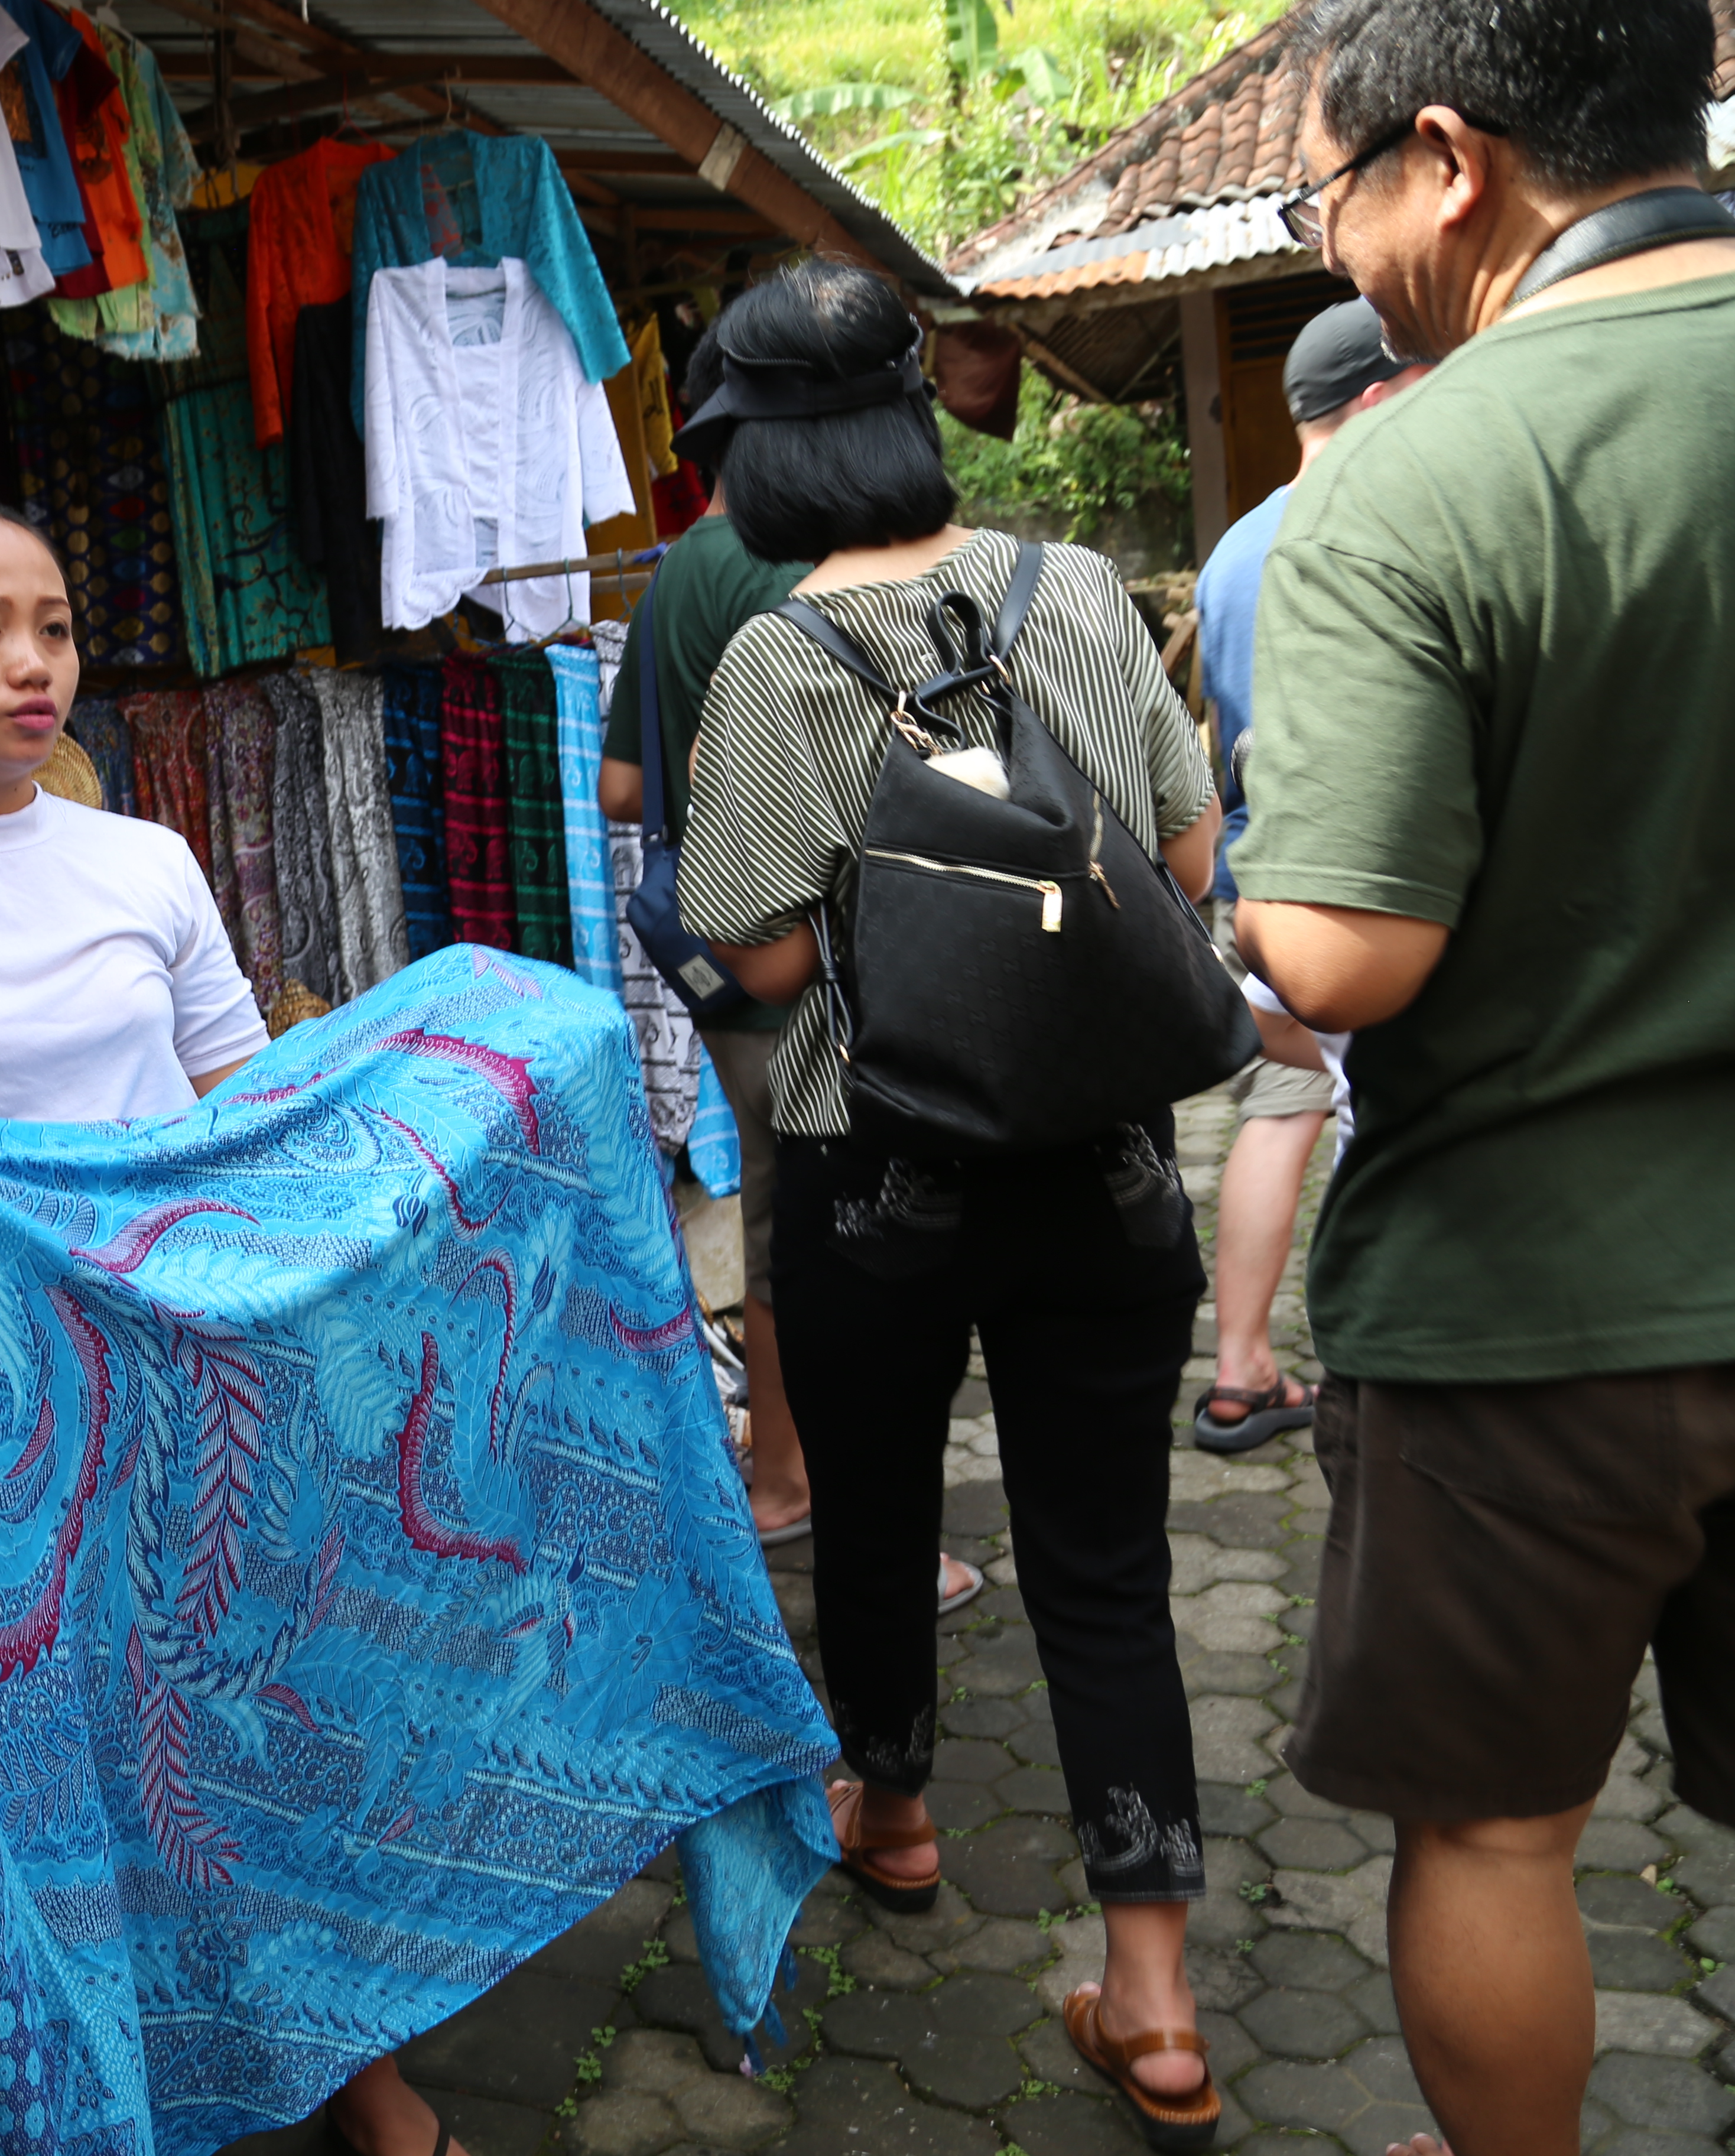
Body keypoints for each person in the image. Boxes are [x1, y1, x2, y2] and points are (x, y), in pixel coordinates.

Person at [0, 488, 449, 2156]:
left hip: (201, 1390)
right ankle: (98, 2090)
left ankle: (363, 2079)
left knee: (267, 1749)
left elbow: (240, 1111)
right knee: (69, 1791)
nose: (30, 662)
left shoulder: (146, 862)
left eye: (50, 624)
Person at [1232, 5, 1735, 2151]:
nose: (1335, 248)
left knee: (1503, 1827)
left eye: (1326, 196)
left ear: (1449, 160)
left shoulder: (1422, 474)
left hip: (1540, 1309)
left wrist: (1241, 916)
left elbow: (1346, 954)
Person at [676, 259, 1226, 2152]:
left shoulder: (771, 659)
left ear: (755, 455)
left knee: (883, 1506)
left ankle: (894, 1813)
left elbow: (749, 958)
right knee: (1107, 1563)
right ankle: (1154, 1996)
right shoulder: (1075, 590)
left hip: (876, 1175)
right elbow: (1182, 858)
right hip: (1110, 1166)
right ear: (913, 418)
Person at [602, 324, 984, 1612]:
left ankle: (779, 1484)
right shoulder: (829, 560)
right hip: (858, 955)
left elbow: (618, 785)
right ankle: (894, 1536)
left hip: (728, 965)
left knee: (781, 1228)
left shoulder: (678, 573)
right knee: (888, 1233)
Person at [1182, 298, 1425, 1454]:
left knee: (1279, 1110)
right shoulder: (1386, 519)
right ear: (1381, 398)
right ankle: (1385, 1371)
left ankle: (1239, 1369)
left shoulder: (1236, 547)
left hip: (1255, 879)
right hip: (1359, 884)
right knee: (1372, 1112)